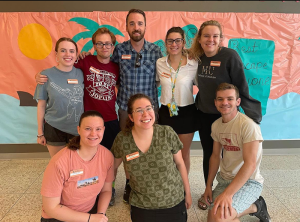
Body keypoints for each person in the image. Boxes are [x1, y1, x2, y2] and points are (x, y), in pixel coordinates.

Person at [36, 28, 120, 205]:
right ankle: (87, 191)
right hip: (88, 122)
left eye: (108, 43)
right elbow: (62, 70)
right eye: (100, 43)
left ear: (113, 46)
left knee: (110, 159)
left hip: (111, 120)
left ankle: (108, 188)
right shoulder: (85, 61)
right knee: (85, 160)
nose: (104, 47)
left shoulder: (116, 67)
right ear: (94, 46)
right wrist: (40, 76)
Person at [189, 20, 262, 210]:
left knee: (230, 155)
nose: (210, 40)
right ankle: (208, 191)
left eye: (215, 36)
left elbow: (241, 86)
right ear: (199, 38)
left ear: (221, 38)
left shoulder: (229, 56)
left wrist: (251, 115)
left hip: (226, 115)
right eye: (206, 35)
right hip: (205, 114)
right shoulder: (197, 57)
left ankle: (239, 190)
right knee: (210, 155)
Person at [111, 93, 192, 222]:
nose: (145, 114)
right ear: (131, 117)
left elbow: (180, 164)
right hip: (142, 204)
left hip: (173, 200)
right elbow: (112, 168)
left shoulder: (167, 132)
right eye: (139, 110)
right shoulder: (123, 139)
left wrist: (187, 193)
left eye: (149, 108)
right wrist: (107, 190)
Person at [110, 8, 163, 203]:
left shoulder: (155, 51)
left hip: (150, 110)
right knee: (128, 147)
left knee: (150, 147)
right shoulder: (119, 50)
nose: (136, 27)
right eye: (132, 23)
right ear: (126, 27)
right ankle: (131, 184)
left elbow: (160, 78)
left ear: (145, 26)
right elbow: (110, 72)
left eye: (140, 23)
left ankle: (147, 183)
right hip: (125, 109)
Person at [202, 83, 271, 222]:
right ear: (215, 102)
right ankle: (255, 207)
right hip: (224, 180)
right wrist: (208, 186)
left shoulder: (248, 126)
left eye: (230, 99)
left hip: (249, 182)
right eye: (220, 99)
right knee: (215, 217)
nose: (225, 103)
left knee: (221, 217)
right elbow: (215, 157)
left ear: (237, 102)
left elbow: (250, 164)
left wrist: (228, 194)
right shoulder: (216, 125)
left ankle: (256, 205)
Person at [40, 110, 114, 222]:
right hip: (59, 216)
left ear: (103, 130)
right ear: (78, 129)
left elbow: (106, 191)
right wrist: (90, 219)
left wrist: (100, 215)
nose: (94, 134)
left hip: (90, 211)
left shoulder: (107, 156)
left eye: (98, 129)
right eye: (88, 128)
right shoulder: (60, 162)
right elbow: (51, 208)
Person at [156, 27, 198, 174]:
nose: (174, 44)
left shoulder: (193, 64)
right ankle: (170, 188)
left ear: (183, 42)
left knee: (183, 154)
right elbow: (154, 83)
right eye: (170, 41)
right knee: (168, 154)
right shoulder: (160, 63)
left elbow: (202, 85)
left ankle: (183, 188)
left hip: (187, 113)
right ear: (165, 43)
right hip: (166, 113)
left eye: (177, 40)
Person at [34, 37, 84, 157]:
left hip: (77, 128)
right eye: (63, 50)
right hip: (54, 128)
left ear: (76, 54)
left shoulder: (82, 73)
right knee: (58, 164)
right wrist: (40, 133)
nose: (68, 54)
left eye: (71, 51)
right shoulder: (46, 75)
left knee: (76, 165)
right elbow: (41, 105)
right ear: (56, 54)